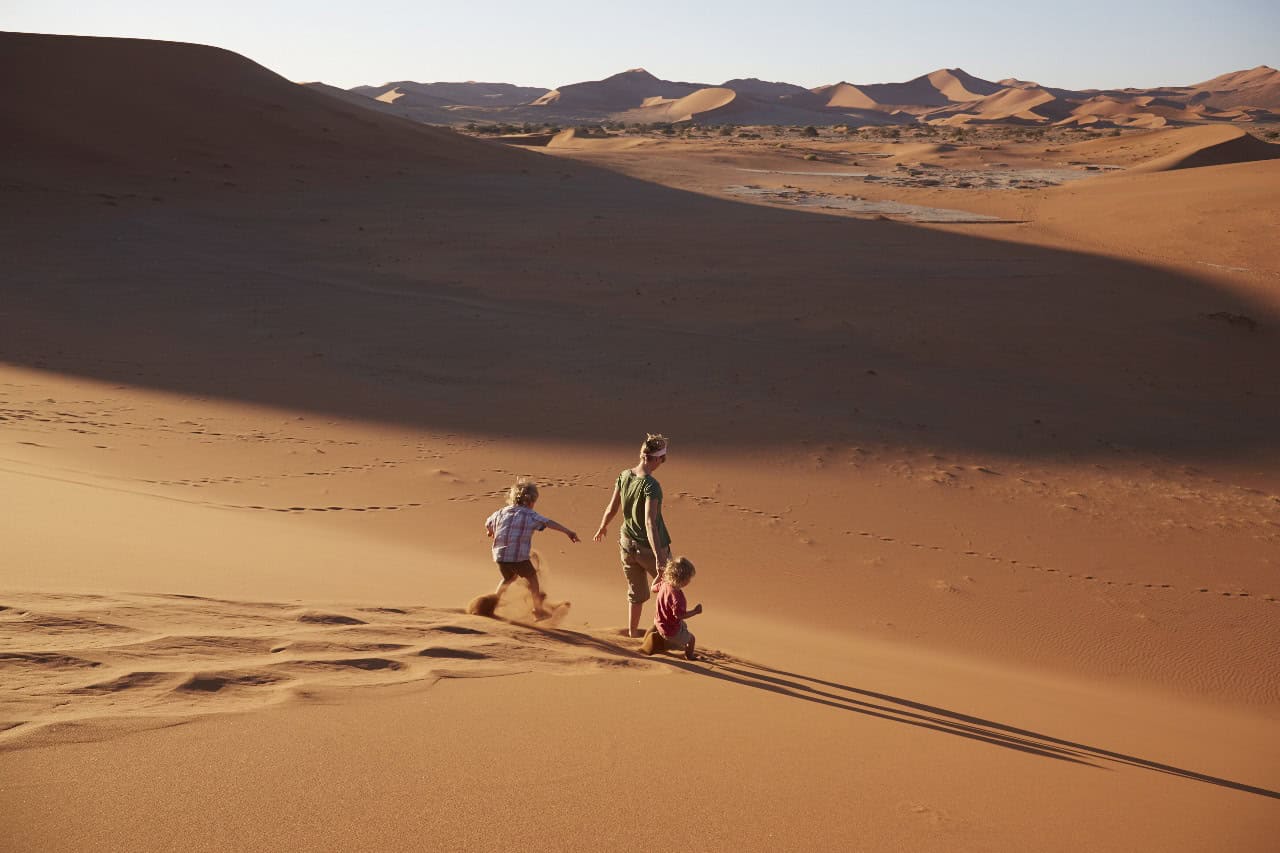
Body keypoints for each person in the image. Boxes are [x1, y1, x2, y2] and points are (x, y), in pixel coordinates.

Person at [593, 433, 672, 637]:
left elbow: (612, 508)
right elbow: (650, 522)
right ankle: (668, 634)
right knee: (670, 589)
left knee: (636, 594)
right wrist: (660, 559)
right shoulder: (651, 485)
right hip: (650, 547)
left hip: (627, 545)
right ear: (654, 458)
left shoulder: (624, 475)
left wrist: (603, 526)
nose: (660, 464)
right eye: (661, 460)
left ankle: (633, 632)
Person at [485, 478, 579, 617]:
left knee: (508, 578)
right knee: (533, 578)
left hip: (500, 556)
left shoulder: (501, 512)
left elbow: (488, 522)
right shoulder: (530, 515)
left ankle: (492, 603)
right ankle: (538, 610)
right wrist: (568, 532)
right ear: (530, 502)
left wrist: (491, 532)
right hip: (518, 557)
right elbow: (548, 522)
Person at [648, 556, 702, 660]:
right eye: (689, 578)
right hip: (670, 630)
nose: (689, 581)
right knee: (691, 639)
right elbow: (680, 615)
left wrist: (659, 575)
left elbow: (652, 588)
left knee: (684, 626)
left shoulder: (664, 583)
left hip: (658, 621)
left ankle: (662, 638)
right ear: (683, 580)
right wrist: (695, 611)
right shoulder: (677, 597)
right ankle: (689, 656)